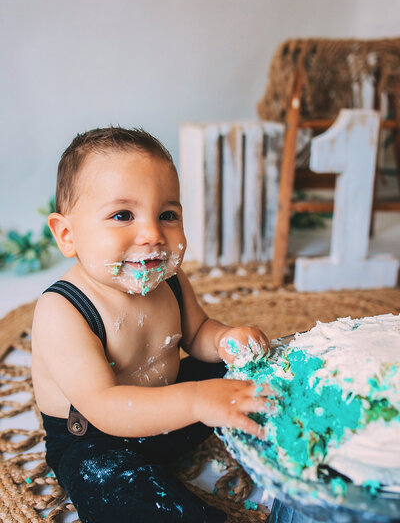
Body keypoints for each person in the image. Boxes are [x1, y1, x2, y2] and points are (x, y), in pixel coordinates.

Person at [32, 126, 275, 523]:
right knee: (111, 484)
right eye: (122, 215)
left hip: (169, 412)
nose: (152, 234)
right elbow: (106, 407)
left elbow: (197, 335)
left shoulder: (171, 281)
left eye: (167, 214)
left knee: (249, 371)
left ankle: (284, 422)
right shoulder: (63, 309)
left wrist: (227, 340)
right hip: (98, 440)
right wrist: (198, 400)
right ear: (67, 234)